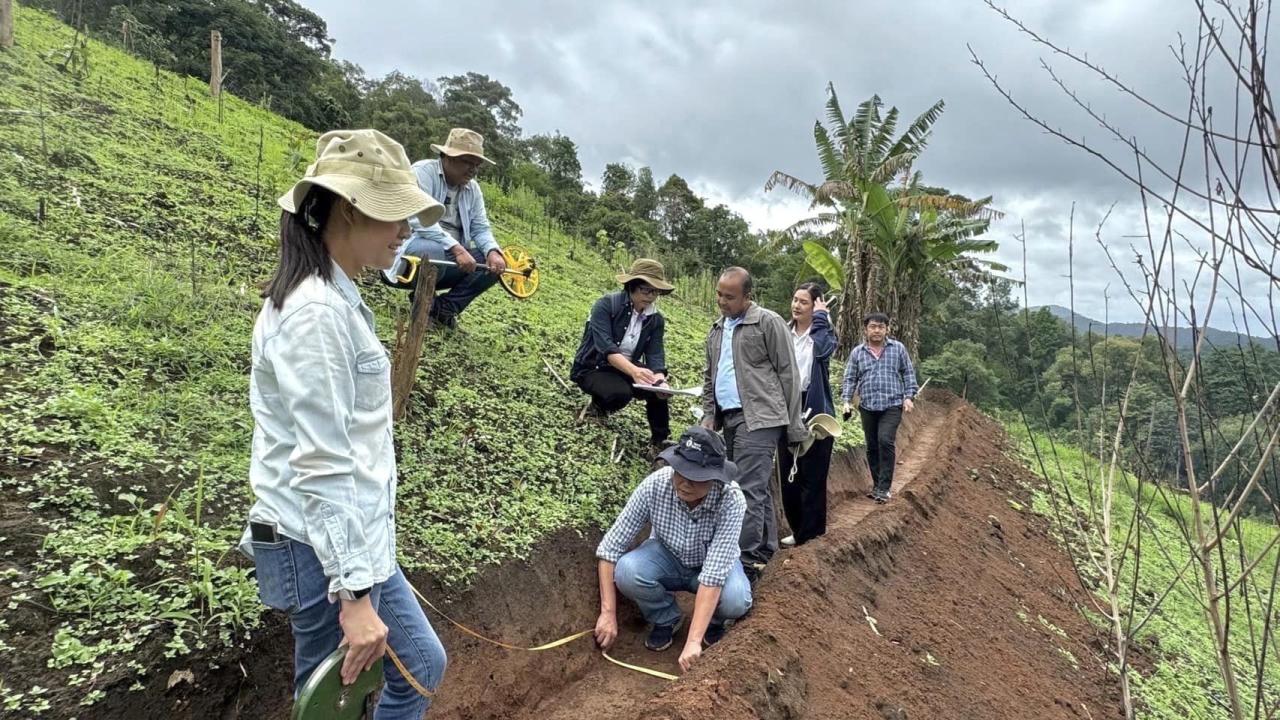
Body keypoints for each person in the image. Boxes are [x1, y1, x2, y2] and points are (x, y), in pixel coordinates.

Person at [240, 129, 447, 718]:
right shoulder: (315, 315)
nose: (406, 230)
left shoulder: (338, 297)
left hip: (350, 540)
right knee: (333, 702)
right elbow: (323, 461)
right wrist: (354, 594)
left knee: (421, 665)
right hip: (318, 548)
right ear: (350, 209)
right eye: (395, 215)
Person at [593, 427, 752, 672]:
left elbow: (713, 575)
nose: (684, 483)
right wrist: (608, 613)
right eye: (680, 472)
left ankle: (712, 622)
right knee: (627, 570)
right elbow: (610, 548)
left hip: (711, 568)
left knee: (736, 600)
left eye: (696, 477)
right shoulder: (656, 485)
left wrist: (693, 642)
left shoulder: (731, 500)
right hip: (667, 556)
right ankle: (667, 618)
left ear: (715, 477)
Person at [700, 267, 807, 582]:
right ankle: (764, 550)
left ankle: (743, 563)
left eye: (729, 296)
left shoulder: (768, 323)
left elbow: (789, 374)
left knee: (745, 489)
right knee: (751, 486)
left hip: (760, 417)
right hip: (728, 417)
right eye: (719, 294)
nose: (722, 301)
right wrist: (709, 414)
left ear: (748, 296)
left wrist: (794, 425)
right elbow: (711, 375)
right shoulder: (717, 329)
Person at [383, 127, 505, 328]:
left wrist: (493, 251)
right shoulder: (422, 173)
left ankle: (443, 309)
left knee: (493, 264)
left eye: (477, 165)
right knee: (431, 251)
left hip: (451, 261)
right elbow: (419, 220)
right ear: (447, 157)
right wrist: (456, 248)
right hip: (409, 257)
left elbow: (481, 228)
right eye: (467, 162)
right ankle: (422, 310)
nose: (473, 170)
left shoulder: (472, 189)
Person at [570, 259, 675, 456]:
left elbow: (655, 353)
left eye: (655, 292)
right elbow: (606, 349)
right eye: (646, 290)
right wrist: (634, 372)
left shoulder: (655, 319)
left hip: (625, 367)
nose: (651, 297)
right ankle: (598, 407)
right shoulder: (606, 305)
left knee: (656, 386)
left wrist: (659, 379)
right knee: (621, 393)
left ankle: (660, 440)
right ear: (631, 286)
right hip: (595, 366)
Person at [777, 283, 837, 546]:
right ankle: (798, 528)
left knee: (813, 475)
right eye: (795, 300)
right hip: (786, 406)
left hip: (815, 408)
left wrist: (823, 319)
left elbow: (823, 351)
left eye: (803, 302)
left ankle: (812, 536)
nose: (796, 305)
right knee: (789, 475)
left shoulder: (823, 333)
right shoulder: (783, 333)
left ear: (816, 306)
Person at [841, 312, 918, 504]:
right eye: (873, 327)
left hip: (892, 404)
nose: (877, 330)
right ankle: (877, 485)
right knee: (872, 446)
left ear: (887, 329)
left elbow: (908, 373)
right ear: (866, 329)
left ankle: (884, 488)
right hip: (868, 405)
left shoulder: (897, 349)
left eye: (881, 327)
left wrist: (908, 397)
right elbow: (850, 378)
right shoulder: (858, 352)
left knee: (885, 440)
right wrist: (846, 401)